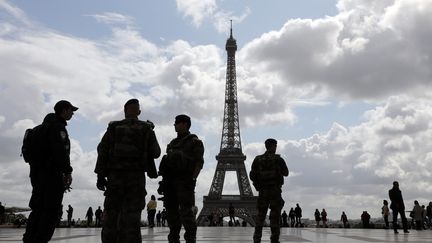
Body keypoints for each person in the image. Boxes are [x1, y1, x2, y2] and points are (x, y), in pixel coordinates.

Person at [95, 98, 161, 243]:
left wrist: (100, 175)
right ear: (139, 111)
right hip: (135, 178)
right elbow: (156, 152)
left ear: (125, 111)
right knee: (132, 218)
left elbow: (102, 150)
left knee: (111, 216)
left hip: (115, 177)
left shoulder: (113, 127)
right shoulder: (146, 128)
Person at [23, 100, 77, 243]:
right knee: (51, 212)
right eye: (71, 110)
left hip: (35, 175)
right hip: (52, 175)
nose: (72, 114)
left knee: (37, 209)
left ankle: (29, 239)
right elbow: (60, 152)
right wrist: (67, 171)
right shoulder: (57, 128)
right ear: (64, 110)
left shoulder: (36, 130)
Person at [158, 114, 204, 243]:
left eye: (177, 123)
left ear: (185, 124)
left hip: (185, 182)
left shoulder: (195, 142)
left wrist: (192, 179)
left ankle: (190, 239)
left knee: (187, 214)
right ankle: (173, 238)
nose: (175, 125)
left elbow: (199, 163)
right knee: (172, 214)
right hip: (170, 182)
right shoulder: (172, 143)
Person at [250, 138, 289, 243]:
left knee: (260, 217)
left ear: (266, 146)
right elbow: (286, 173)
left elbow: (252, 175)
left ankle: (257, 238)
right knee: (275, 217)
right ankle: (274, 239)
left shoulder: (257, 159)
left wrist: (257, 185)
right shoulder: (278, 159)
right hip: (275, 191)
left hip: (262, 191)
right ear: (274, 146)